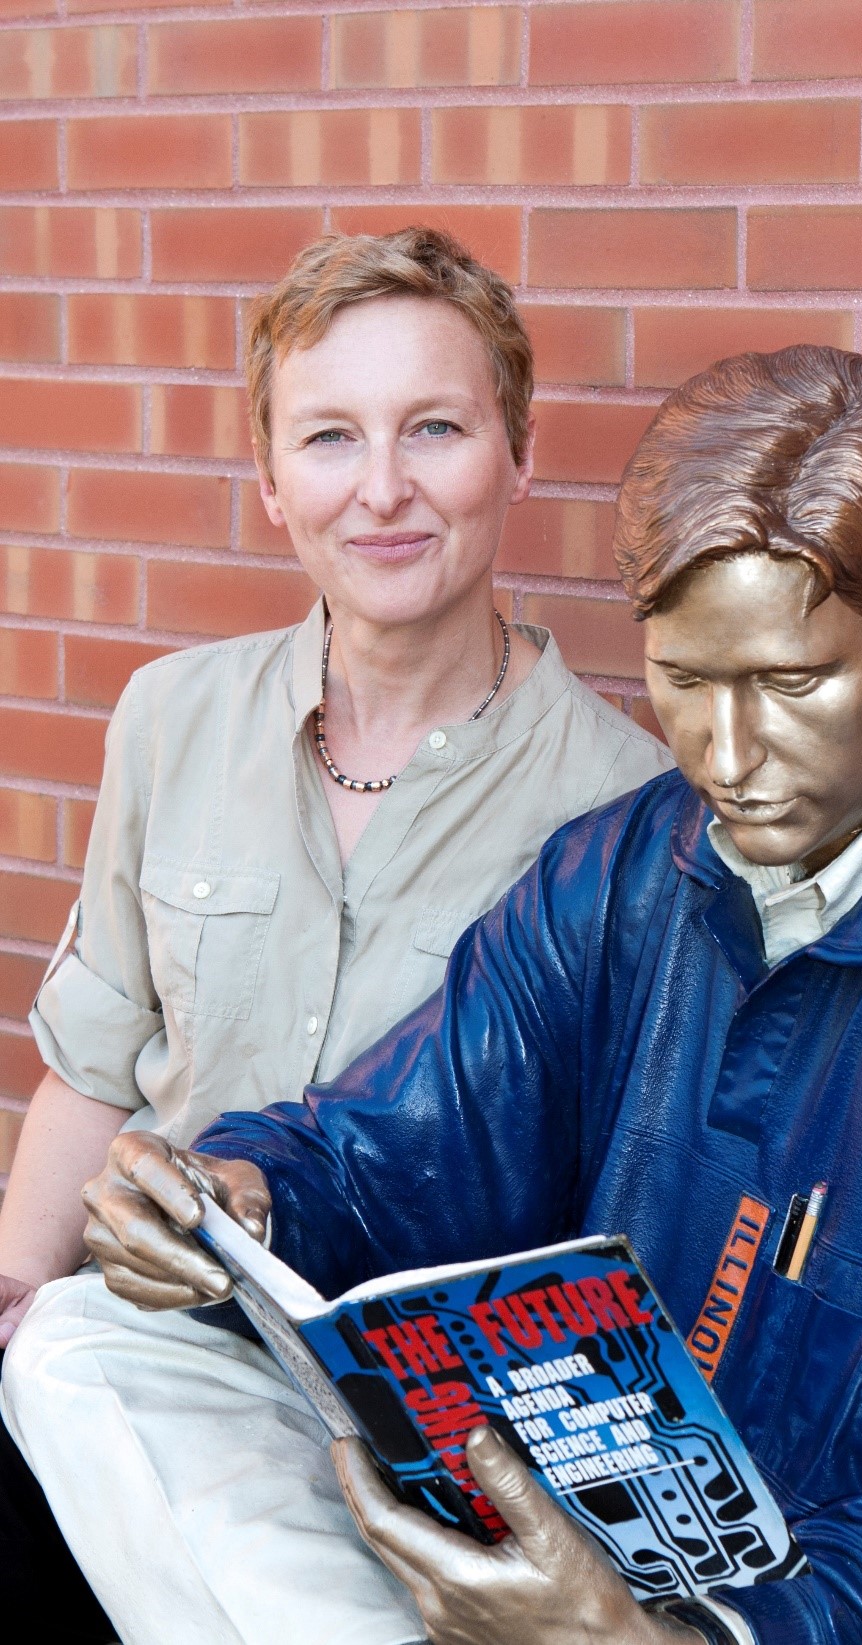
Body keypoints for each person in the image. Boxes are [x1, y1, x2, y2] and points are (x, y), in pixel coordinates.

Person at [6, 343, 862, 1644]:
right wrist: (239, 1195)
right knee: (86, 1340)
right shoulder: (633, 861)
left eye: (790, 685)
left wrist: (668, 1636)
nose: (729, 756)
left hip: (779, 1619)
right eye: (685, 683)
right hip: (548, 1525)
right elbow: (397, 1141)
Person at [0, 228, 671, 1638]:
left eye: (433, 427)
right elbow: (97, 1068)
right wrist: (15, 1292)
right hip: (167, 1353)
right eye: (328, 437)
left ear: (516, 455)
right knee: (61, 1345)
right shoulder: (169, 719)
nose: (381, 489)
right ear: (268, 475)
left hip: (444, 1420)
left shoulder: (626, 814)